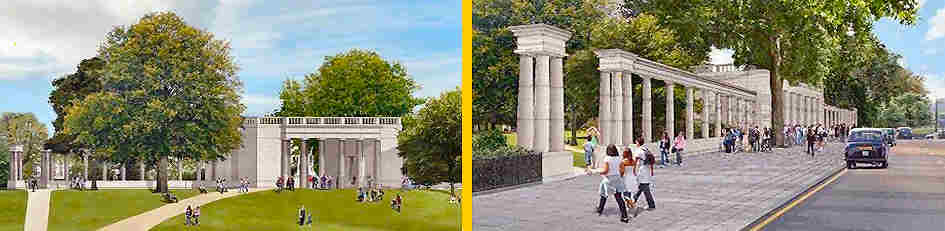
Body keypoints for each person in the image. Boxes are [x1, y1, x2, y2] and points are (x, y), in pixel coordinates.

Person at [589, 144, 629, 223]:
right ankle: (624, 216)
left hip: (609, 179)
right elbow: (622, 170)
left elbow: (606, 171)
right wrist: (619, 176)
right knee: (619, 197)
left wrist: (596, 171)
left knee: (603, 195)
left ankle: (600, 209)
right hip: (618, 179)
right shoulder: (619, 158)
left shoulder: (607, 159)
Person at [633, 139, 657, 211]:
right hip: (648, 169)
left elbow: (635, 161)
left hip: (643, 170)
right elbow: (651, 161)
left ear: (638, 143)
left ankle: (651, 205)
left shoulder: (638, 151)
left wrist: (633, 170)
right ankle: (634, 199)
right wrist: (652, 170)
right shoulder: (646, 149)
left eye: (636, 142)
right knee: (642, 186)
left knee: (645, 188)